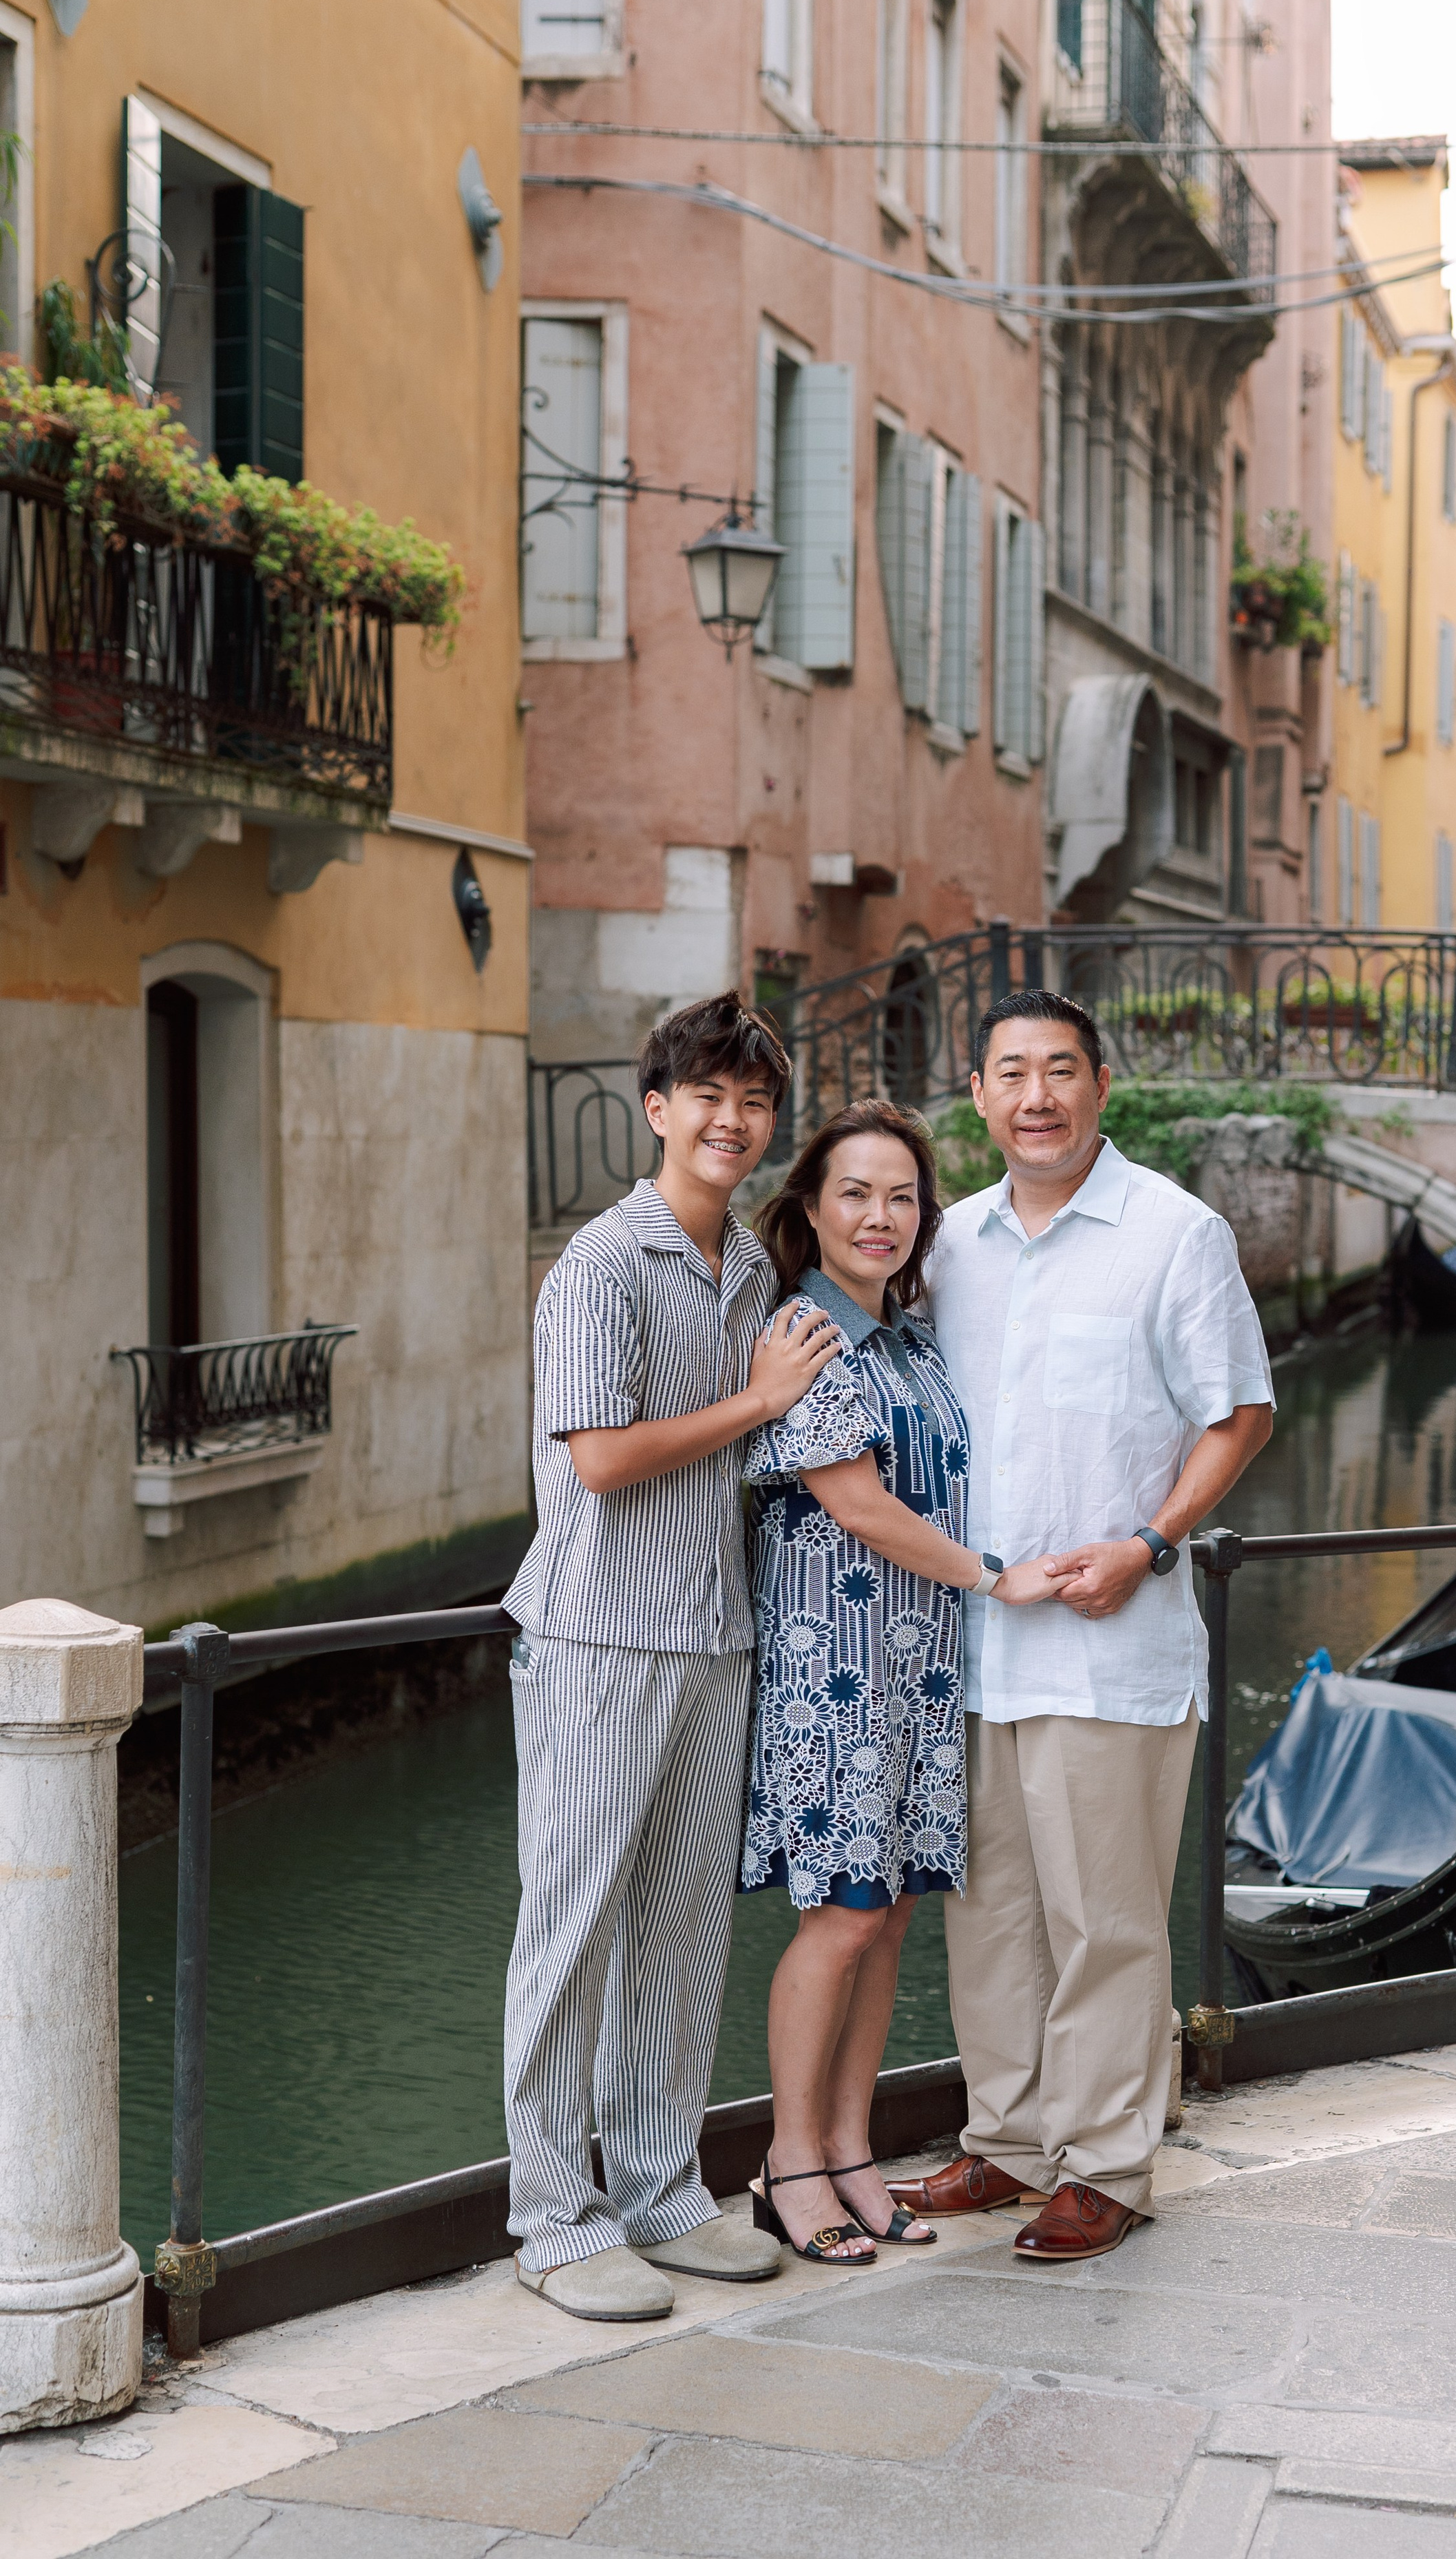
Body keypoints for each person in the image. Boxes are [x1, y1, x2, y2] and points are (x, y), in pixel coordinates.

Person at [887, 990, 1274, 2260]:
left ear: (1102, 1084)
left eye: (1060, 1070)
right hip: (976, 1645)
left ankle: (1105, 2162)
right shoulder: (945, 1245)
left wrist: (1152, 1542)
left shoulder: (1175, 1233)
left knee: (1105, 1921)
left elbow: (1239, 1414)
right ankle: (1005, 2141)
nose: (1036, 1096)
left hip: (1114, 1644)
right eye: (1011, 1073)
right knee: (987, 1914)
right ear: (981, 1094)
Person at [501, 991, 843, 2324]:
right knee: (569, 1932)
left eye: (753, 1101)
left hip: (715, 1636)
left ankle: (655, 2187)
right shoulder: (598, 1263)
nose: (731, 1120)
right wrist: (758, 1401)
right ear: (657, 1109)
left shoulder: (753, 1271)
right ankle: (549, 2212)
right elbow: (594, 1461)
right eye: (707, 1095)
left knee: (683, 1931)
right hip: (597, 1634)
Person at [740, 1100, 1059, 2266]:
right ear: (812, 1209)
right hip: (834, 1675)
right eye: (855, 1195)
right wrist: (999, 1577)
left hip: (919, 1673)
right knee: (845, 1915)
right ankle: (787, 2165)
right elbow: (858, 1504)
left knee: (896, 1911)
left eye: (902, 1198)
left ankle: (851, 2153)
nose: (880, 1217)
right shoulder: (805, 1335)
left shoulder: (912, 1340)